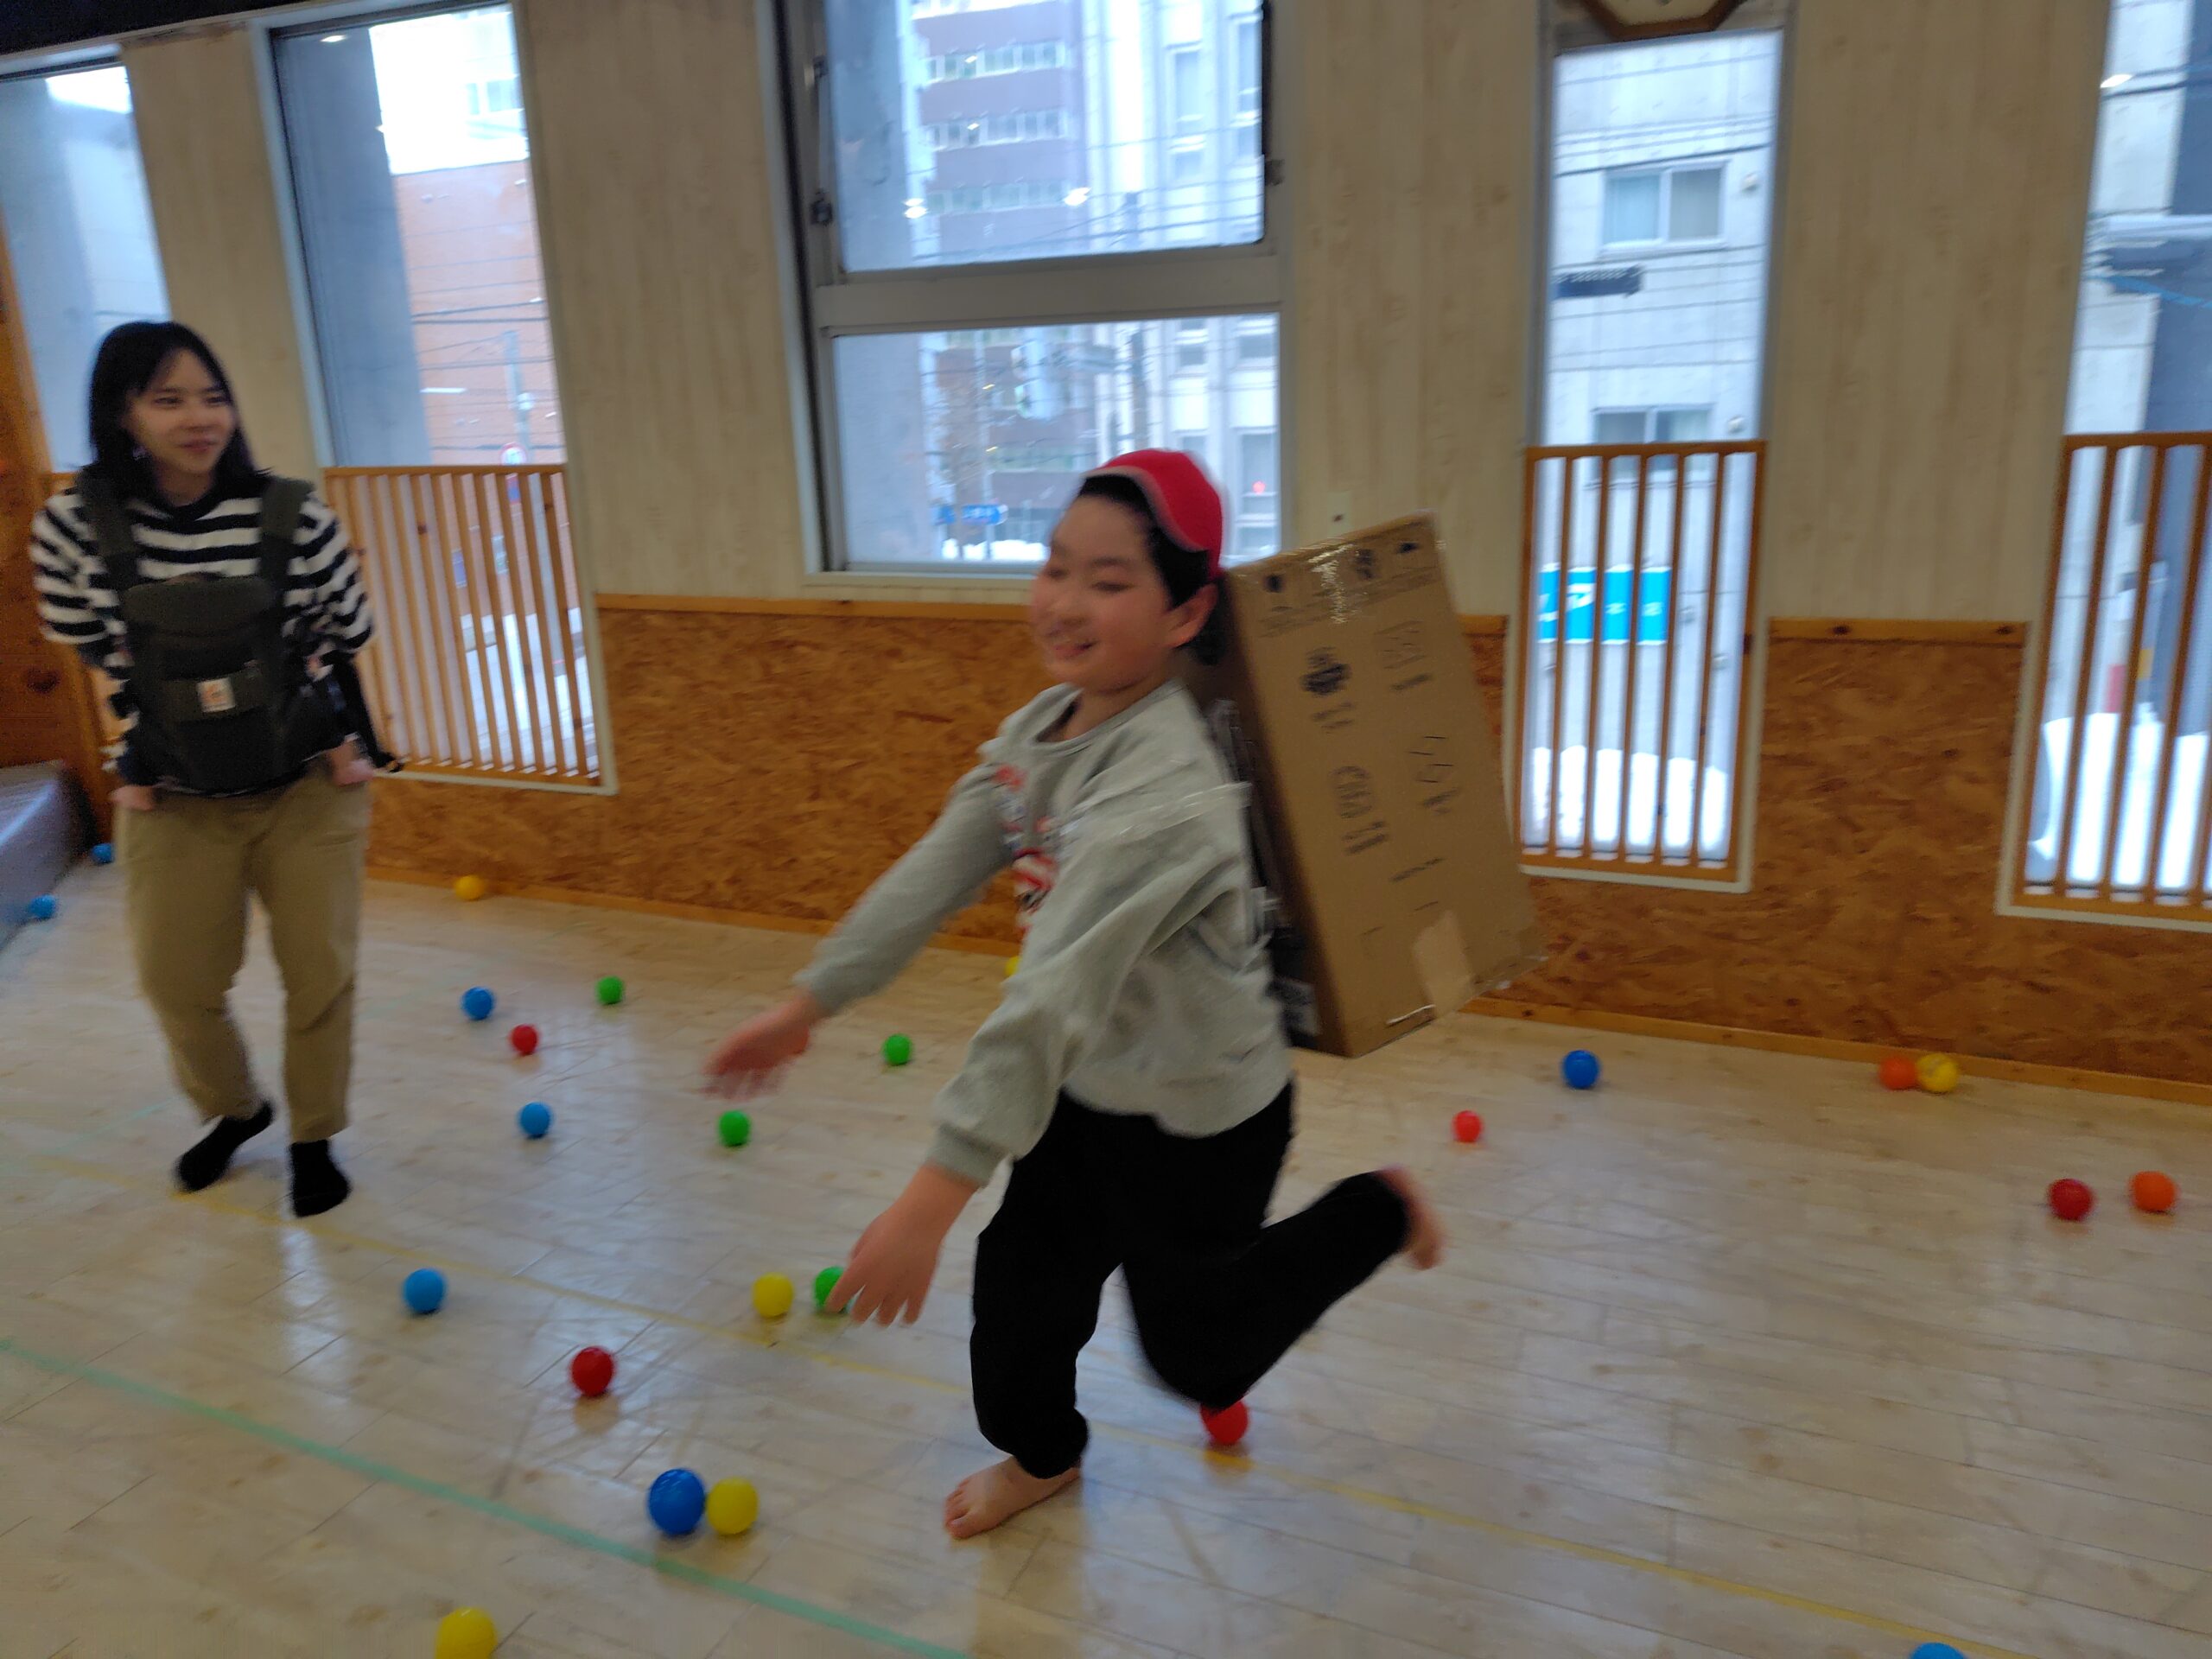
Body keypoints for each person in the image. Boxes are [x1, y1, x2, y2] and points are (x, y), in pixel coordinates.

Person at [706, 449, 1443, 1540]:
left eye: (1107, 581)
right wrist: (809, 1003)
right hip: (1083, 1097)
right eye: (1055, 567)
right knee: (1017, 1305)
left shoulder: (1166, 795)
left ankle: (1378, 1206)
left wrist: (929, 1198)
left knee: (1197, 1356)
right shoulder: (1040, 732)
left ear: (1187, 611)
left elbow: (1050, 994)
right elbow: (931, 873)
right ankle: (1045, 1456)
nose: (1063, 601)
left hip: (1201, 1121)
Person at [30, 321, 378, 1217]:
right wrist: (137, 751)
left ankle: (313, 1137)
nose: (200, 418)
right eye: (170, 399)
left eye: (213, 397)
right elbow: (89, 650)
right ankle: (236, 1108)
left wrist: (338, 734)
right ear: (123, 413)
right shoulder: (71, 527)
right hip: (171, 795)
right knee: (175, 981)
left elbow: (350, 629)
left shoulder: (293, 514)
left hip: (304, 789)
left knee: (320, 973)